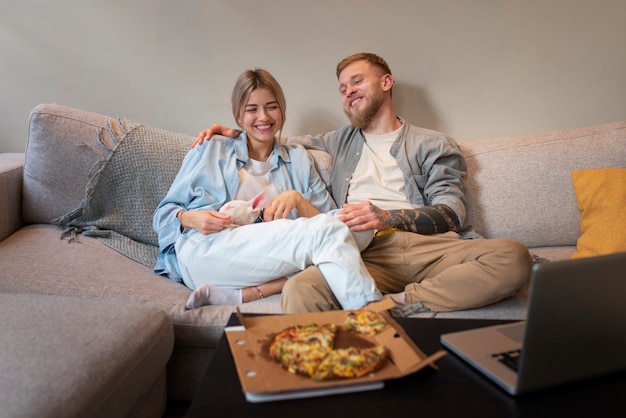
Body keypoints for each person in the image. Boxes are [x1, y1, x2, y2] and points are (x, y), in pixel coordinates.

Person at [194, 53, 533, 315]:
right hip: (363, 251)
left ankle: (395, 306)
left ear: (386, 82)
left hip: (429, 248)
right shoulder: (336, 142)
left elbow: (452, 213)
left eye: (357, 81)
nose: (348, 92)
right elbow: (276, 138)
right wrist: (237, 133)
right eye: (343, 88)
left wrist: (387, 217)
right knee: (300, 289)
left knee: (513, 257)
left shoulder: (433, 144)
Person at [154, 68, 382, 310]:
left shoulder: (298, 159)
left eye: (271, 107)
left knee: (359, 229)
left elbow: (328, 223)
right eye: (252, 109)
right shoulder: (211, 150)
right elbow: (163, 215)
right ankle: (373, 316)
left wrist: (297, 200)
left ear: (282, 111)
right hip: (209, 252)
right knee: (334, 235)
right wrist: (190, 218)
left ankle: (247, 294)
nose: (263, 117)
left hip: (267, 258)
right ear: (238, 116)